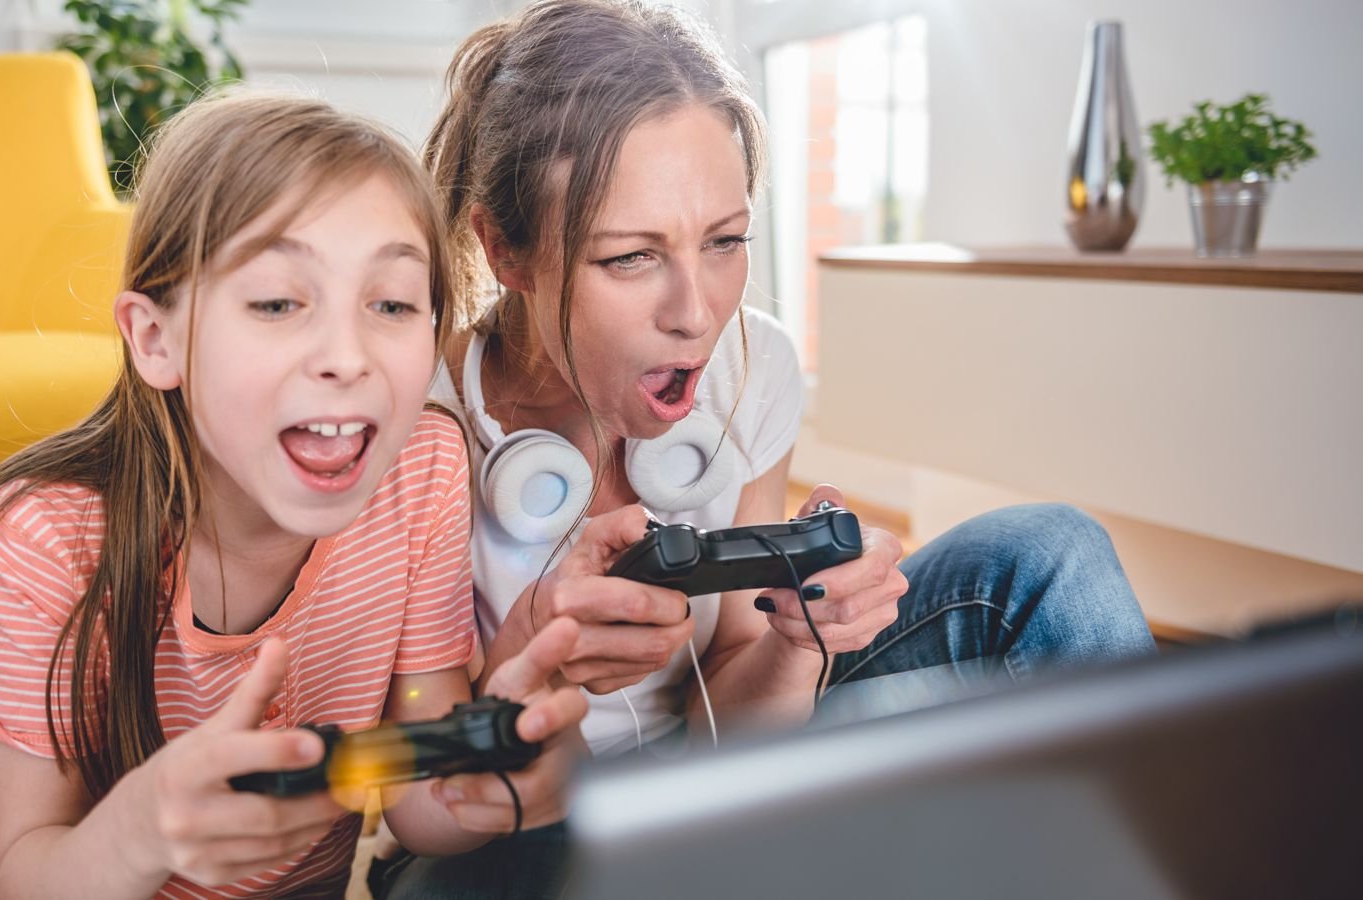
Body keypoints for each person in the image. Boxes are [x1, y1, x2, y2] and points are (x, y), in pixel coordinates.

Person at [376, 1, 1157, 895]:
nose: (697, 311)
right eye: (631, 257)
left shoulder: (753, 368)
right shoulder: (413, 427)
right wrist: (525, 672)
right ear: (503, 249)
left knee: (1050, 554)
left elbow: (735, 720)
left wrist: (800, 643)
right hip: (506, 831)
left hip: (708, 778)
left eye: (725, 242)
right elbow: (423, 803)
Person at [0, 90, 586, 899]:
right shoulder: (46, 540)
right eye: (277, 302)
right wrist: (144, 827)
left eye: (393, 304)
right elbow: (27, 874)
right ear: (156, 340)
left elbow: (419, 809)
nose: (347, 355)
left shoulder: (424, 471)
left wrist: (493, 774)